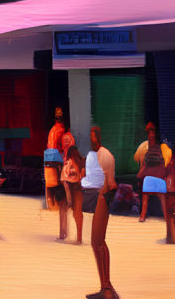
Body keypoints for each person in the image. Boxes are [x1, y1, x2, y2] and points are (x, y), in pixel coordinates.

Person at [85, 126, 118, 299]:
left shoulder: (103, 154)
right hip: (102, 198)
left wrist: (104, 196)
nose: (90, 140)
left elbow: (112, 184)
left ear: (97, 138)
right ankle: (106, 287)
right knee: (97, 242)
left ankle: (106, 289)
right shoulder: (101, 154)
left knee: (97, 242)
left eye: (92, 137)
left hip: (103, 199)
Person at [134, 122, 171, 223]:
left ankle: (166, 217)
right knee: (145, 196)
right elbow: (145, 163)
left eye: (152, 131)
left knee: (162, 197)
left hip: (159, 175)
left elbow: (166, 161)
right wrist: (140, 175)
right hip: (149, 176)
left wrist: (164, 175)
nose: (150, 135)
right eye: (148, 132)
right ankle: (143, 215)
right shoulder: (146, 146)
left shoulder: (162, 147)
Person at [44, 109, 68, 240]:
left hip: (50, 162)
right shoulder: (61, 131)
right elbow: (62, 148)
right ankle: (63, 231)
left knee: (57, 196)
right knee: (63, 198)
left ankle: (62, 231)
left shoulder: (52, 130)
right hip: (58, 163)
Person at [62, 144, 85, 244]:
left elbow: (64, 179)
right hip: (79, 189)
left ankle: (70, 236)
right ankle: (79, 237)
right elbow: (83, 177)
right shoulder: (81, 162)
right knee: (78, 214)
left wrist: (69, 199)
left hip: (72, 188)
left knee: (75, 214)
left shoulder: (69, 162)